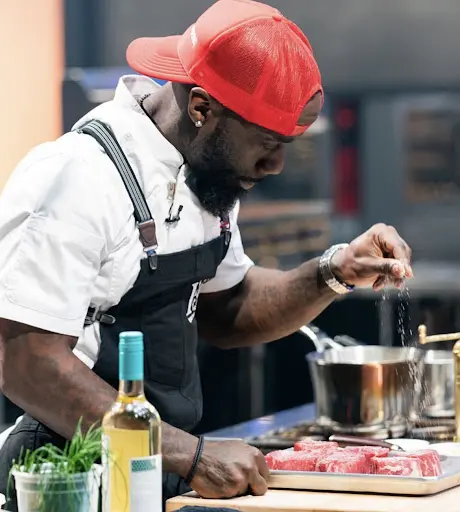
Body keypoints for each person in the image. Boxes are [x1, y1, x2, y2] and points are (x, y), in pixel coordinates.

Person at [0, 0, 413, 508]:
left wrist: (334, 271)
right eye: (267, 141)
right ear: (201, 108)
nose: (277, 165)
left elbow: (229, 305)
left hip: (156, 468)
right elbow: (26, 361)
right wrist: (190, 455)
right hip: (71, 473)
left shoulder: (202, 173)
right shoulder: (78, 176)